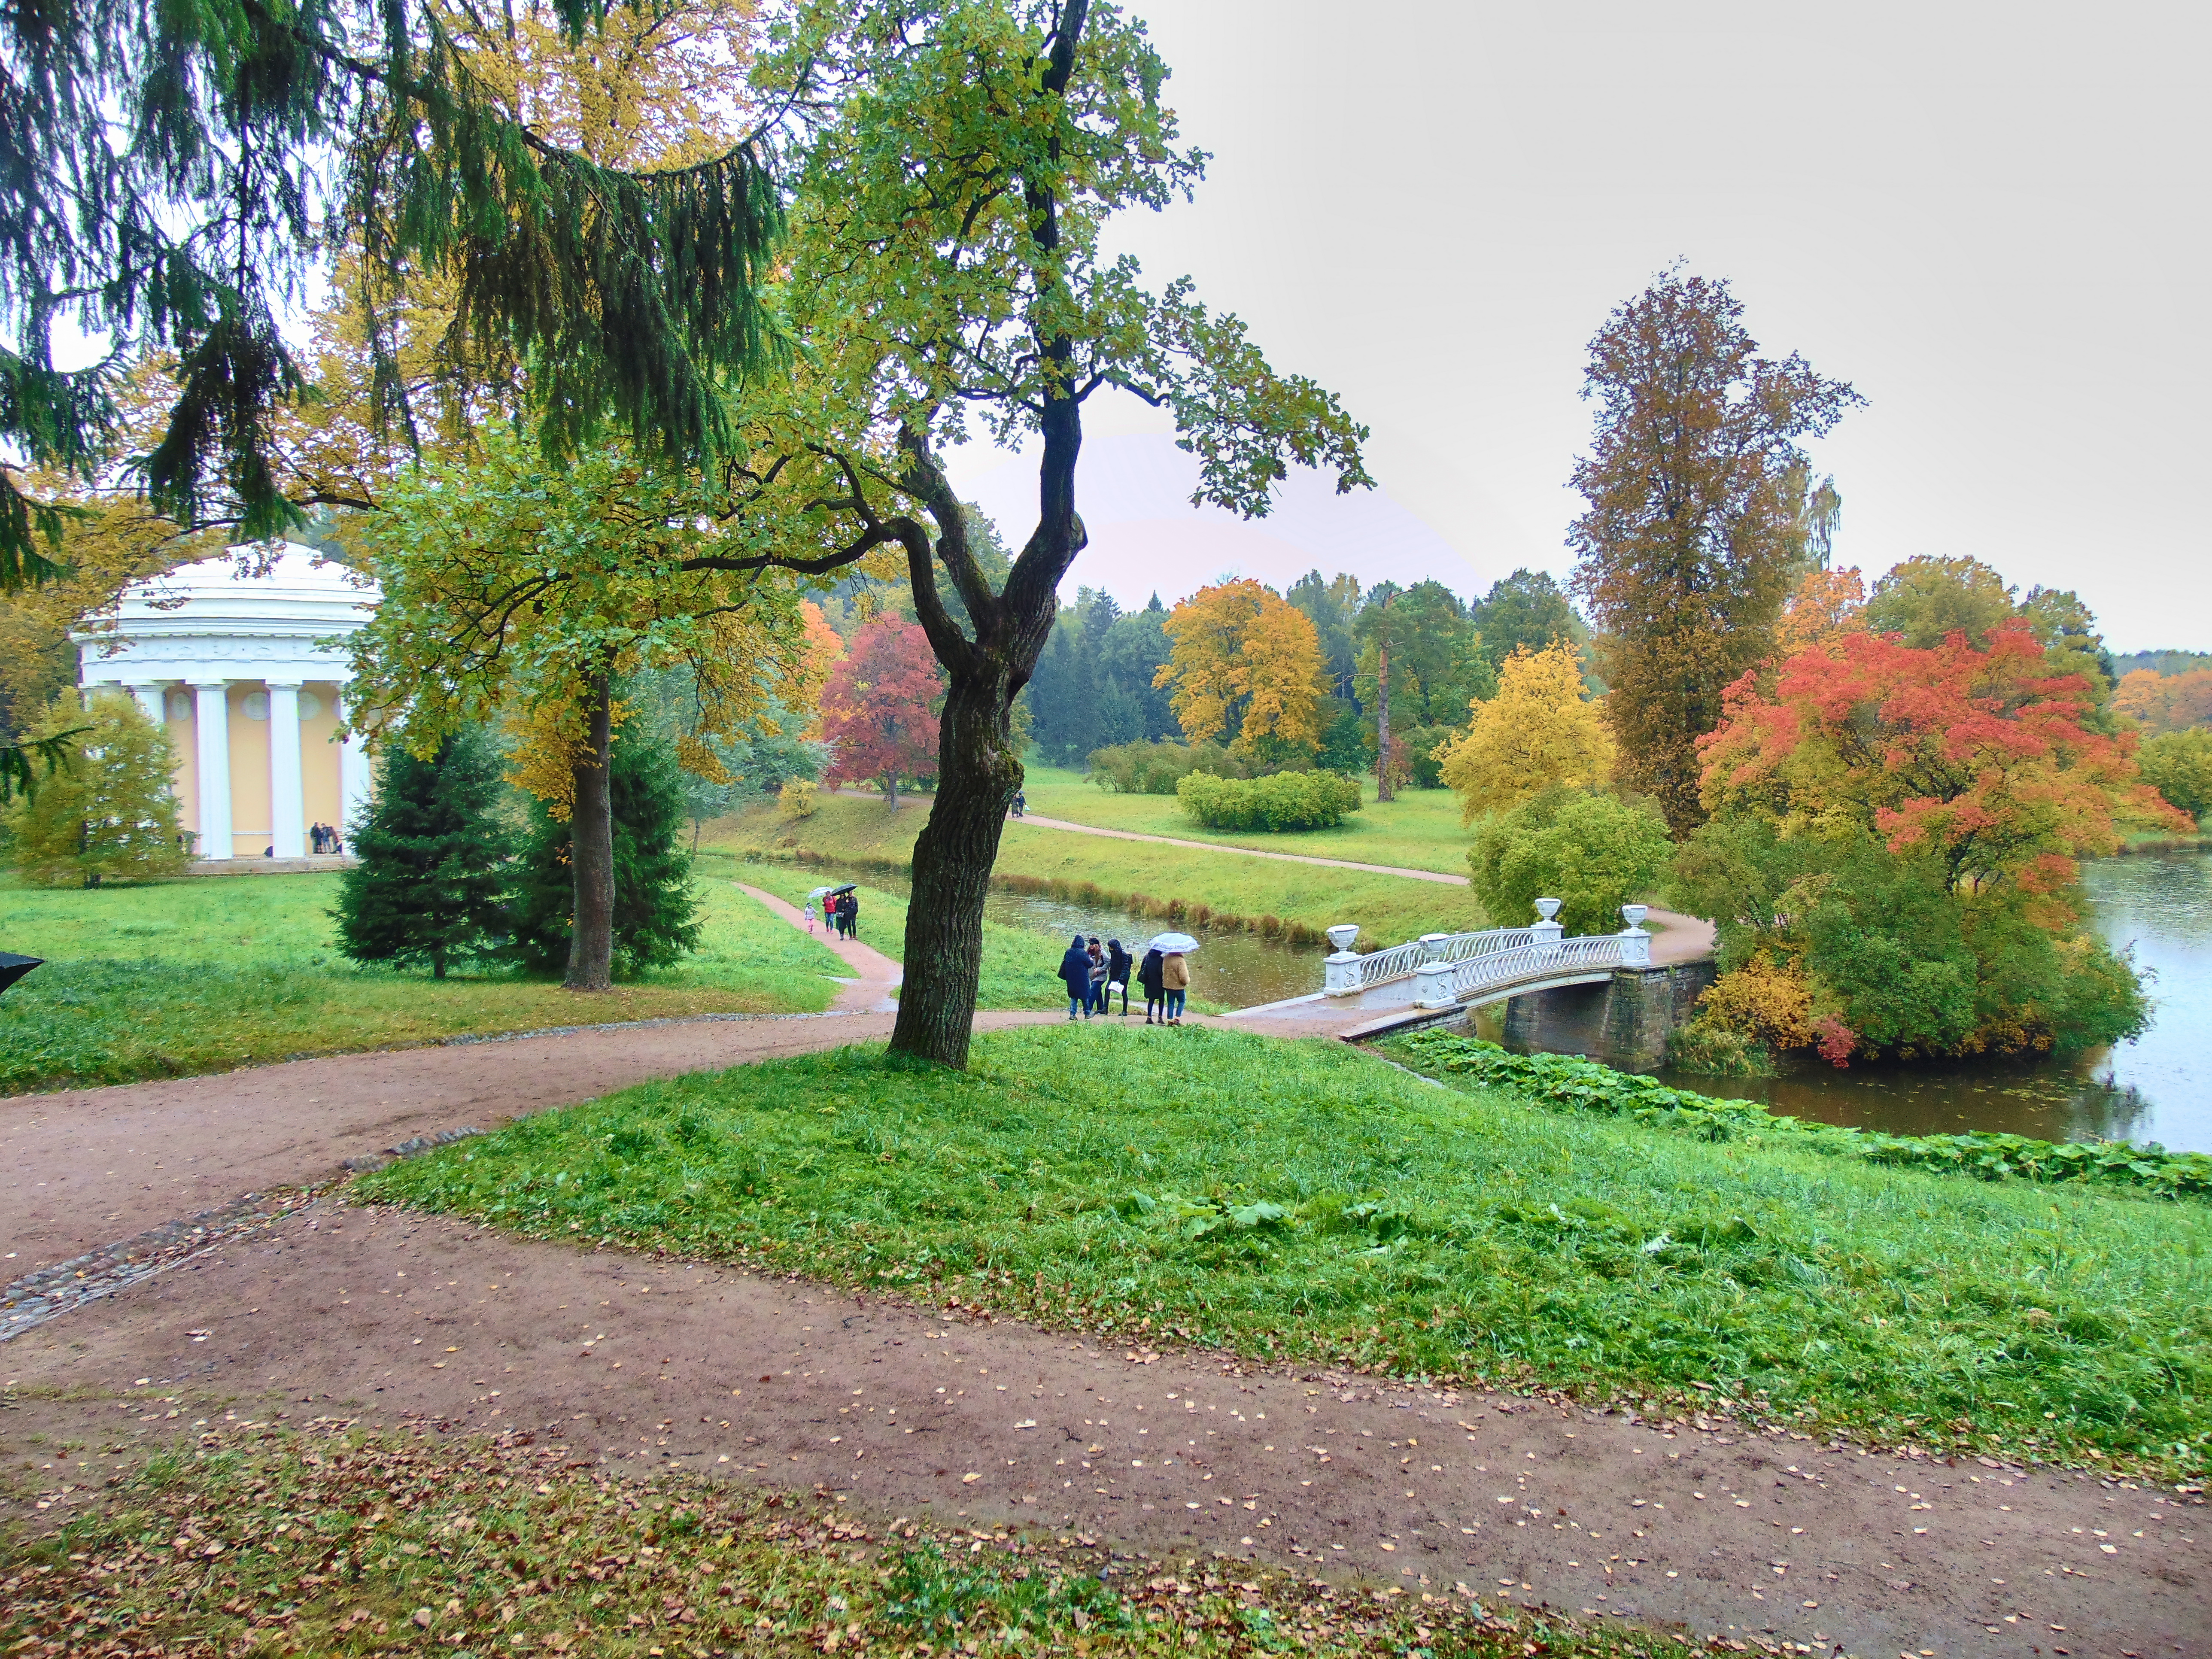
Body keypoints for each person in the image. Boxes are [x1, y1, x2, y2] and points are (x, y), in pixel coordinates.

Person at [1057, 933, 1092, 1019]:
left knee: (1074, 997)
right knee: (1085, 996)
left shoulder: (1069, 952)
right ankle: (1087, 1013)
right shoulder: (1082, 953)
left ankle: (1073, 1014)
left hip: (1071, 979)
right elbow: (1090, 964)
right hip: (1082, 979)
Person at [1137, 945, 1166, 1024]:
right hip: (1159, 983)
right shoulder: (1160, 959)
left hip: (1149, 982)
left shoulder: (1147, 957)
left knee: (1151, 1000)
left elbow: (1143, 968)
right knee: (1161, 1000)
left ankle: (1149, 1018)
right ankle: (1160, 1018)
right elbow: (1161, 972)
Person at [1106, 938, 1133, 1017]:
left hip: (1123, 977)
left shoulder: (1123, 955)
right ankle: (1105, 1009)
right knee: (1107, 990)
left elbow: (1125, 967)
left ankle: (1125, 1011)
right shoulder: (1114, 954)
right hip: (1114, 975)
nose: (1111, 949)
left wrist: (1122, 979)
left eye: (1112, 948)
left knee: (1124, 993)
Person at [1161, 950, 1189, 1025]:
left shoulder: (1166, 958)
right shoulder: (1180, 960)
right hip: (1179, 986)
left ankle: (1170, 1019)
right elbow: (1184, 977)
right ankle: (1177, 1018)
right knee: (1182, 1001)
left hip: (1168, 985)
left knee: (1171, 1003)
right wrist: (1187, 981)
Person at [1084, 937, 1108, 1017]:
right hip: (1092, 975)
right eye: (1090, 944)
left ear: (1096, 944)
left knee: (1093, 990)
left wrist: (1100, 969)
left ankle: (1088, 1009)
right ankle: (1101, 1008)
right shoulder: (1088, 952)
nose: (1091, 946)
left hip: (1101, 976)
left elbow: (1108, 962)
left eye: (1093, 944)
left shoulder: (1102, 953)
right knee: (1098, 991)